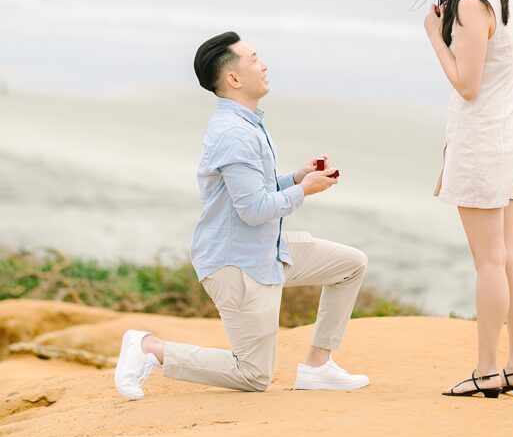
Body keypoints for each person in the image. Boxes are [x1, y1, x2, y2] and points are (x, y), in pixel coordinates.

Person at [115, 31, 370, 399]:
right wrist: (304, 190)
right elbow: (253, 210)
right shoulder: (234, 133)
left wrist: (295, 178)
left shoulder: (247, 123)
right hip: (237, 266)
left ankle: (317, 366)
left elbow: (255, 190)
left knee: (350, 265)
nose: (263, 64)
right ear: (233, 79)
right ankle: (149, 349)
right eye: (254, 59)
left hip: (268, 251)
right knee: (252, 374)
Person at [409, 0, 513, 399]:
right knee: (512, 260)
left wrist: (435, 38)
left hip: (484, 139)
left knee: (488, 262)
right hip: (511, 131)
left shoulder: (467, 3)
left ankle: (485, 370)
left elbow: (467, 83)